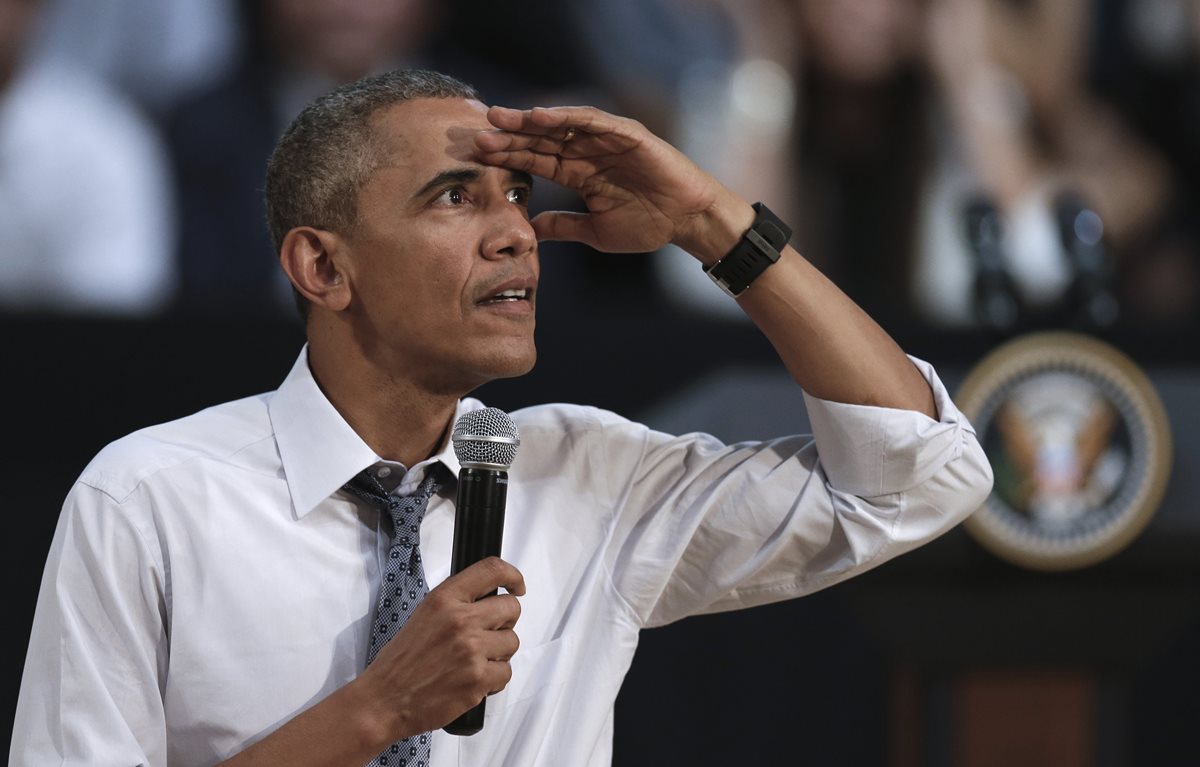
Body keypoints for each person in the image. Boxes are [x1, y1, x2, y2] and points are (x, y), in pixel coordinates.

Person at [11, 68, 992, 766]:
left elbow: (920, 474)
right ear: (322, 266)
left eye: (519, 195)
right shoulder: (150, 495)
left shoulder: (584, 474)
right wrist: (374, 712)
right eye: (455, 196)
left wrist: (709, 219)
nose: (517, 231)